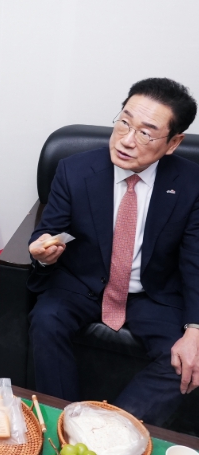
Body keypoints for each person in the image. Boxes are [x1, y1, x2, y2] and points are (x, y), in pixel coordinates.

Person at [28, 78, 199, 427]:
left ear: (173, 142)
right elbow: (48, 230)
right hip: (83, 283)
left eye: (146, 133)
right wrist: (42, 252)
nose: (126, 140)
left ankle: (108, 432)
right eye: (124, 122)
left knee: (185, 360)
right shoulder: (75, 170)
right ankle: (63, 424)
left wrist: (195, 329)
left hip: (153, 293)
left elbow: (195, 259)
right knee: (46, 320)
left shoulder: (191, 183)